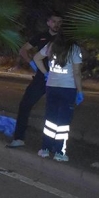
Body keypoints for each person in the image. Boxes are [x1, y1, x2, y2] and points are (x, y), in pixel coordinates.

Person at [7, 14, 63, 148]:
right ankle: (19, 138)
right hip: (41, 77)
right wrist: (32, 63)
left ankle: (53, 145)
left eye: (60, 22)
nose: (57, 24)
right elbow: (23, 50)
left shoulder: (64, 39)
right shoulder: (41, 36)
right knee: (25, 105)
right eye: (54, 21)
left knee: (55, 112)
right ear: (48, 22)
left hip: (58, 78)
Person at [33, 31, 83, 162]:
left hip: (51, 87)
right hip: (68, 89)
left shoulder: (51, 46)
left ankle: (45, 148)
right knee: (63, 122)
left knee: (50, 118)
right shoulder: (74, 49)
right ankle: (59, 152)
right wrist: (80, 91)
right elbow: (77, 73)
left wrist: (46, 73)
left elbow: (36, 58)